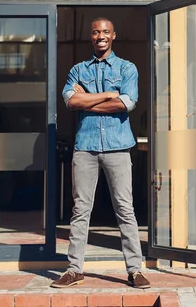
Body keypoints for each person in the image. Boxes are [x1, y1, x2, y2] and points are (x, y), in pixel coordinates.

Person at [51, 17, 150, 289]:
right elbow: (71, 100)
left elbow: (126, 103)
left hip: (118, 146)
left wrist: (87, 102)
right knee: (80, 209)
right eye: (96, 32)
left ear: (113, 35)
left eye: (106, 31)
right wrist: (108, 94)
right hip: (85, 146)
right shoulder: (78, 69)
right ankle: (74, 270)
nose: (101, 36)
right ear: (91, 37)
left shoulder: (127, 68)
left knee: (125, 209)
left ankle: (134, 270)